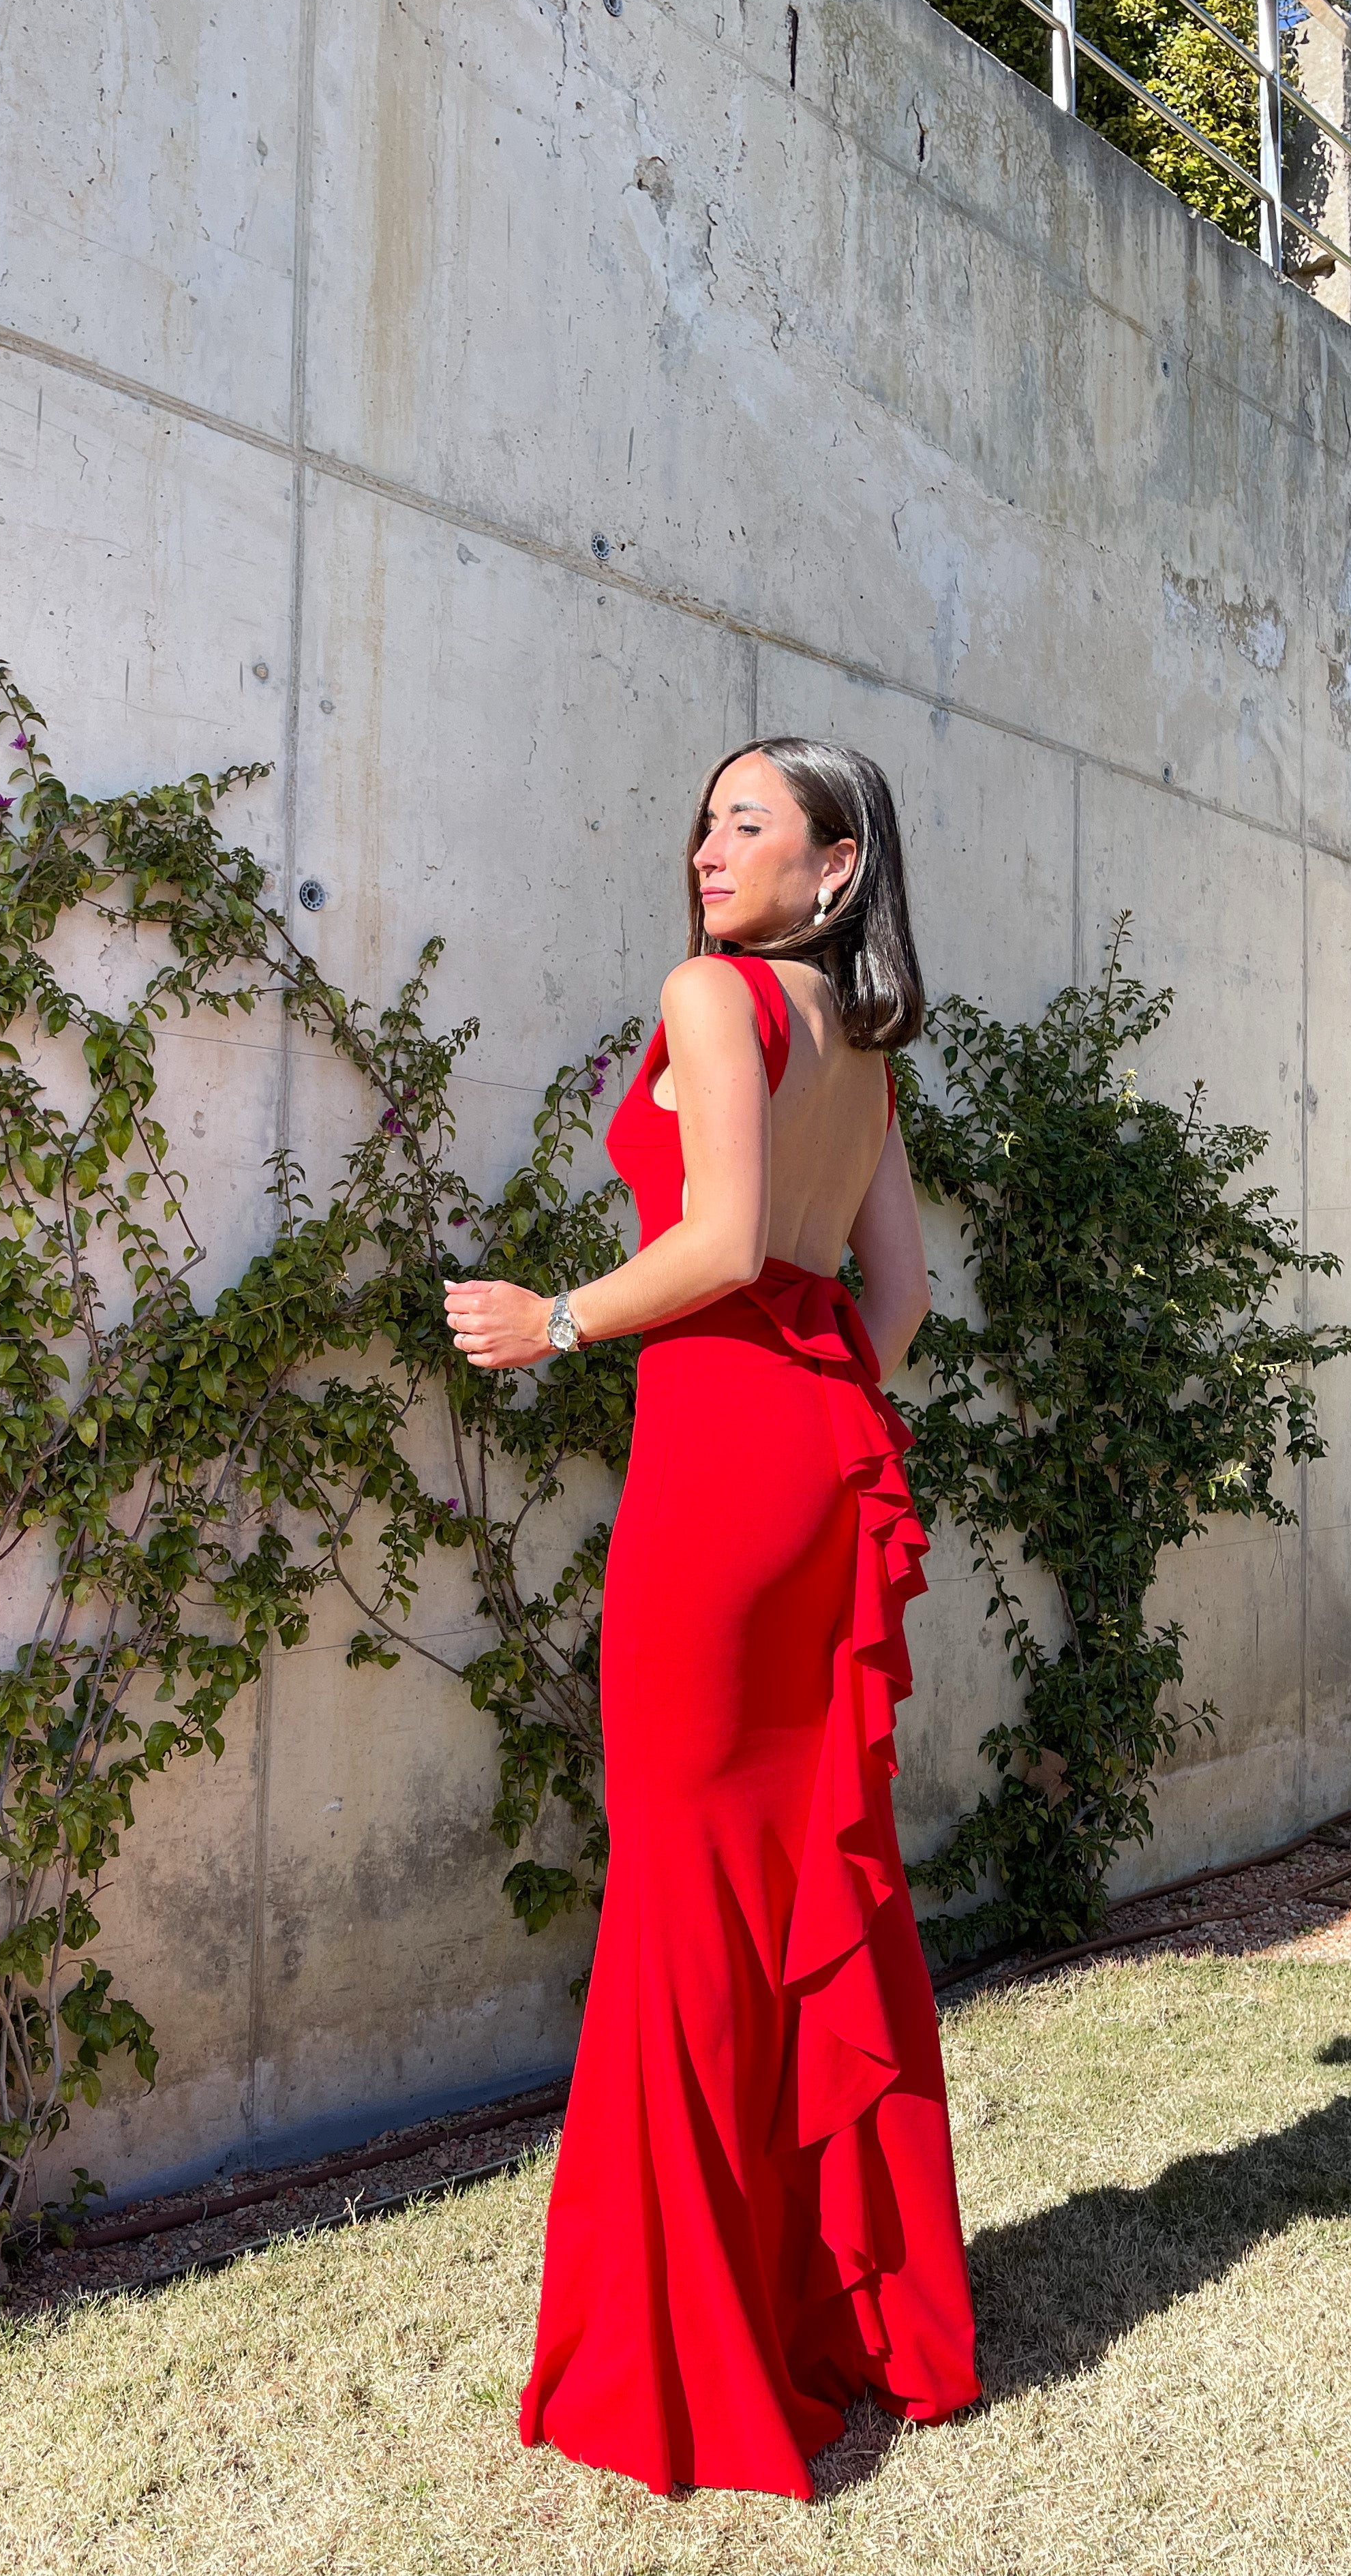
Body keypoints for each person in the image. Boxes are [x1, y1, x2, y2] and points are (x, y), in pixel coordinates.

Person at [442, 736, 980, 2500]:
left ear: (837, 872)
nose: (707, 846)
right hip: (818, 1462)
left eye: (749, 823)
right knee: (797, 1881)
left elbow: (729, 1239)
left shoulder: (714, 996)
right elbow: (889, 1305)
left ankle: (681, 2368)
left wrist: (563, 1322)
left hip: (718, 1475)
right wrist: (801, 1401)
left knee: (688, 1896)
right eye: (704, 818)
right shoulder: (868, 1056)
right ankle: (848, 2319)